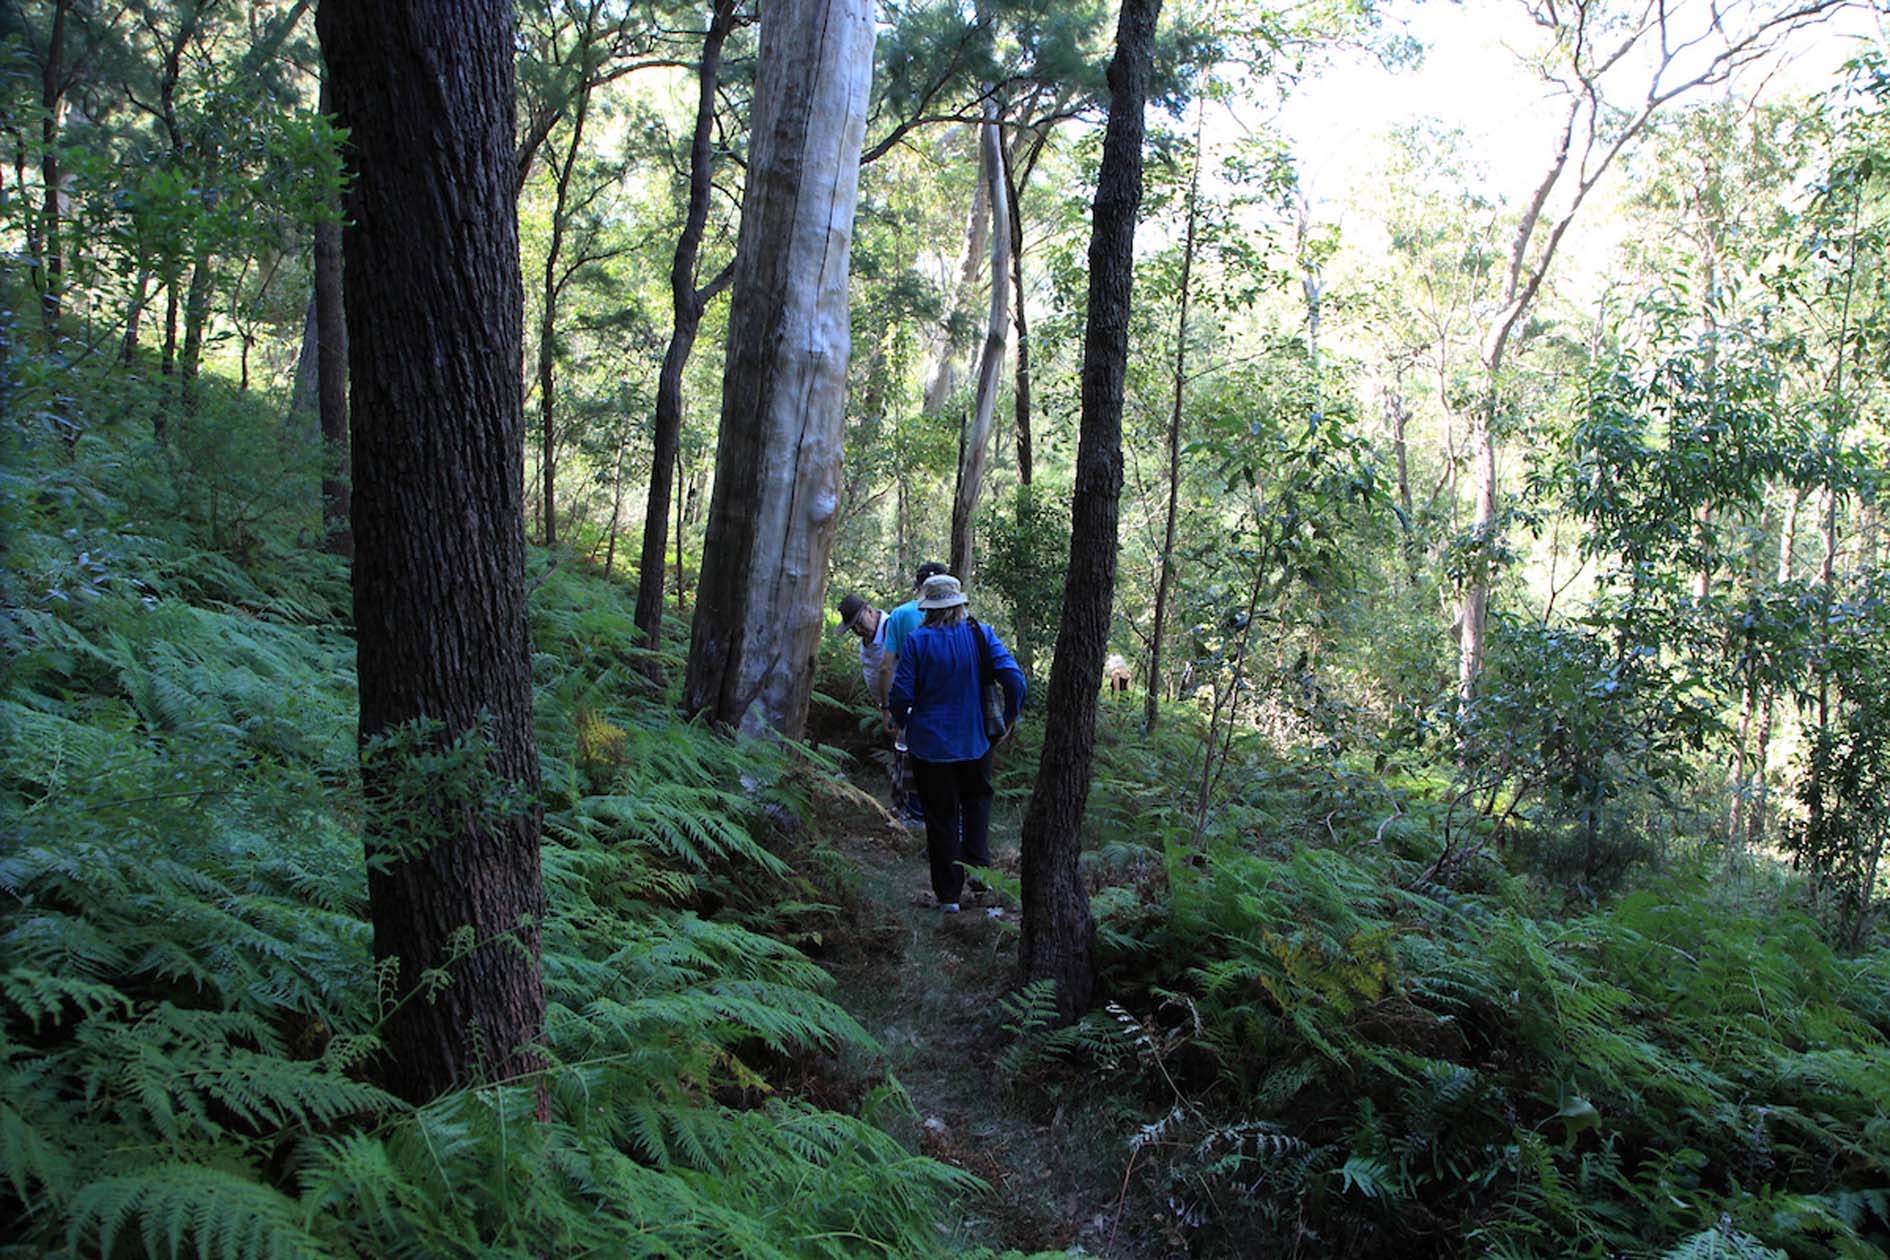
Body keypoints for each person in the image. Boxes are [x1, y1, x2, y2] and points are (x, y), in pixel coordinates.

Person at [888, 574, 1026, 914]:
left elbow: (900, 695)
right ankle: (980, 882)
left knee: (940, 816)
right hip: (975, 741)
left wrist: (909, 725)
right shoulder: (982, 634)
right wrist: (1009, 718)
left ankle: (949, 897)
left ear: (928, 608)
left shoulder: (918, 641)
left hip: (930, 746)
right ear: (959, 604)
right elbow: (1015, 680)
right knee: (977, 805)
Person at [879, 561, 949, 821]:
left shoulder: (899, 615)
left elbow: (886, 666)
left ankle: (915, 816)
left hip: (910, 703)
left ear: (917, 585)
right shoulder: (959, 616)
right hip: (950, 705)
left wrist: (887, 708)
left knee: (910, 760)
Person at [834, 592, 889, 706]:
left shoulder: (892, 629)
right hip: (885, 707)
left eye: (859, 622)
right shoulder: (868, 635)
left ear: (869, 611)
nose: (858, 630)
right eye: (853, 628)